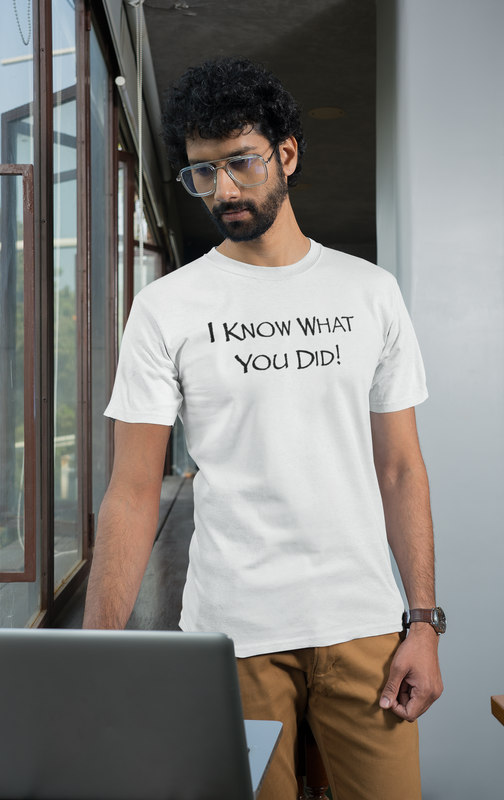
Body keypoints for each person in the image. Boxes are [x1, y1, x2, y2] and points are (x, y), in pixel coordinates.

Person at [83, 57, 444, 800]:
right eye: (202, 174)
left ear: (285, 152)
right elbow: (131, 488)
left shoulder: (369, 292)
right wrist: (97, 656)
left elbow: (401, 469)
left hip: (363, 626)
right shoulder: (167, 308)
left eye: (240, 163)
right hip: (231, 635)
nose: (224, 190)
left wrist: (424, 624)